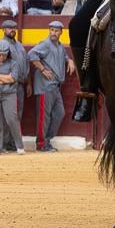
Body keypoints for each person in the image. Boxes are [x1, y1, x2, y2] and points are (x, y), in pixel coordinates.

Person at [28, 20, 73, 152]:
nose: (53, 33)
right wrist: (42, 69)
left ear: (61, 32)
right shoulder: (45, 44)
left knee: (60, 113)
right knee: (44, 116)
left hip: (55, 86)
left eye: (56, 30)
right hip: (44, 86)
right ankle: (42, 144)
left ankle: (46, 140)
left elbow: (64, 56)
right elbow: (31, 54)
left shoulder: (59, 45)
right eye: (52, 30)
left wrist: (69, 60)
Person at [0, 40, 26, 155]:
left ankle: (20, 146)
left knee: (12, 119)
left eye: (4, 54)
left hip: (9, 94)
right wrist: (5, 80)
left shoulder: (13, 63)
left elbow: (13, 79)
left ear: (8, 53)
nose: (1, 57)